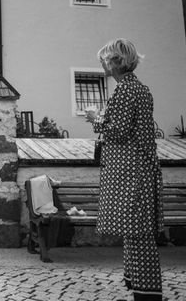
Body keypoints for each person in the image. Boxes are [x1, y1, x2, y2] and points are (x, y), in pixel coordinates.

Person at [85, 39, 163, 301]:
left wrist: (95, 118)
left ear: (116, 62)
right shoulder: (139, 89)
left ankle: (147, 293)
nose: (102, 65)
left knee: (138, 233)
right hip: (138, 168)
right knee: (135, 231)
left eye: (104, 60)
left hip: (131, 172)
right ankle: (138, 286)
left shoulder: (126, 91)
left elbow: (118, 131)